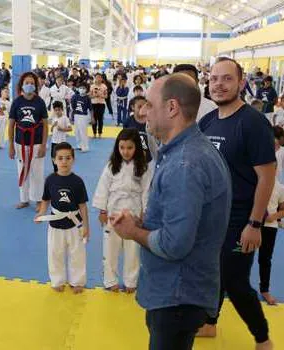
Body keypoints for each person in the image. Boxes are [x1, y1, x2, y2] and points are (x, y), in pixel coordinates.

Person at [109, 73, 232, 350]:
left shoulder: (185, 165)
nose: (142, 111)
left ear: (172, 108)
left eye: (149, 105)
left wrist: (133, 232)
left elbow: (175, 244)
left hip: (177, 295)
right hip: (180, 292)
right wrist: (144, 222)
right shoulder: (189, 152)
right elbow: (182, 221)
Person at [198, 58, 275, 350]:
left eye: (227, 79)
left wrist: (254, 224)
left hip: (241, 218)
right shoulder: (208, 121)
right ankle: (208, 322)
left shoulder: (253, 123)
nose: (219, 84)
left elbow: (266, 176)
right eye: (214, 78)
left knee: (235, 281)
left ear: (241, 83)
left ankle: (262, 338)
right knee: (210, 270)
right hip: (212, 217)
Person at [93, 128, 149, 293]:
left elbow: (147, 191)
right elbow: (103, 188)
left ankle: (131, 281)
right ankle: (110, 280)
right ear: (117, 148)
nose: (125, 151)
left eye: (130, 148)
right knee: (110, 250)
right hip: (113, 215)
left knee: (133, 252)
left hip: (133, 215)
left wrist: (144, 212)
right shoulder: (112, 166)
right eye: (122, 147)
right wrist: (102, 210)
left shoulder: (143, 168)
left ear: (137, 148)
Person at [34, 142, 89, 294]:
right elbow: (45, 200)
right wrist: (41, 213)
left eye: (68, 158)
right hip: (55, 224)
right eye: (60, 158)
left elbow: (83, 206)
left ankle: (77, 281)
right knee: (55, 253)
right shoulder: (50, 180)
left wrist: (86, 226)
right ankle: (57, 280)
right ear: (54, 160)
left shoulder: (77, 182)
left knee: (77, 254)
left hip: (74, 224)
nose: (64, 161)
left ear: (73, 160)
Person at [8, 72, 49, 211]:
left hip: (36, 142)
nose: (29, 85)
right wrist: (11, 146)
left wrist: (44, 145)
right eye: (27, 83)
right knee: (22, 170)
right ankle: (24, 199)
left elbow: (45, 125)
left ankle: (38, 200)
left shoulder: (40, 102)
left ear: (36, 85)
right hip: (20, 143)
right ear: (22, 85)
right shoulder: (17, 102)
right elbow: (11, 124)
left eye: (32, 83)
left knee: (37, 172)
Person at [257, 128, 284, 306]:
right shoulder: (254, 183)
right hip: (251, 225)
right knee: (239, 254)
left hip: (270, 227)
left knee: (265, 258)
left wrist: (273, 216)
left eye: (273, 168)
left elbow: (283, 209)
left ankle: (265, 290)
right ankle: (231, 285)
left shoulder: (280, 188)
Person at [49, 101, 72, 172]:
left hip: (62, 141)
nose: (57, 112)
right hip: (54, 141)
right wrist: (53, 126)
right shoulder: (54, 118)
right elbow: (51, 130)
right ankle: (55, 170)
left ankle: (61, 170)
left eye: (59, 110)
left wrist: (62, 129)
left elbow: (70, 129)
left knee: (61, 157)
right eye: (56, 110)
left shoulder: (65, 118)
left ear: (62, 109)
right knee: (53, 157)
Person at [70, 82, 93, 152]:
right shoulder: (75, 97)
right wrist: (71, 117)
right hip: (76, 115)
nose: (82, 89)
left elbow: (91, 109)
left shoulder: (87, 98)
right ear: (78, 89)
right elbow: (72, 108)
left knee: (83, 131)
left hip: (83, 116)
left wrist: (92, 118)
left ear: (86, 89)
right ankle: (79, 145)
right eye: (80, 88)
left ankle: (85, 147)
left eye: (83, 88)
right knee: (76, 131)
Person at [90, 73, 108, 137]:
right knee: (94, 119)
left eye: (99, 77)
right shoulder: (92, 86)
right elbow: (90, 96)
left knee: (100, 119)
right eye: (97, 77)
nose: (98, 79)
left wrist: (101, 95)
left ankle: (100, 133)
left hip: (101, 104)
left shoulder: (104, 86)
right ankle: (94, 133)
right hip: (93, 104)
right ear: (95, 78)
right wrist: (94, 95)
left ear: (101, 78)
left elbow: (106, 96)